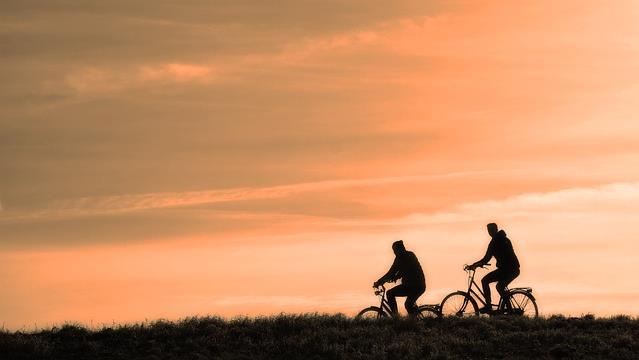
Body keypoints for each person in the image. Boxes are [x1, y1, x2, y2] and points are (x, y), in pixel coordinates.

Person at [467, 223, 520, 313]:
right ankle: (503, 308)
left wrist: (474, 265)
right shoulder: (504, 239)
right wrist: (477, 264)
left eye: (490, 230)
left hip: (509, 269)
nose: (489, 232)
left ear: (495, 230)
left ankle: (493, 307)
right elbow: (487, 258)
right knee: (499, 286)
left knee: (491, 283)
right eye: (488, 230)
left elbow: (486, 259)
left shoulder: (495, 242)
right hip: (511, 269)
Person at [373, 240, 426, 316]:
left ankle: (396, 318)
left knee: (391, 294)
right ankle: (412, 319)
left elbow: (391, 272)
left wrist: (379, 282)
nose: (394, 252)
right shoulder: (409, 255)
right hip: (415, 285)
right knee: (409, 304)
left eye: (395, 250)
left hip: (414, 286)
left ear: (399, 249)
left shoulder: (401, 257)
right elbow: (407, 269)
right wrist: (396, 277)